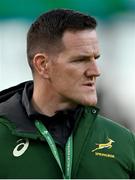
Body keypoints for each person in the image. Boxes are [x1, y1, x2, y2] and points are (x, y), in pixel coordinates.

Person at [0, 9, 135, 179]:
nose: (95, 71)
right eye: (80, 60)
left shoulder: (123, 141)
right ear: (42, 65)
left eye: (95, 58)